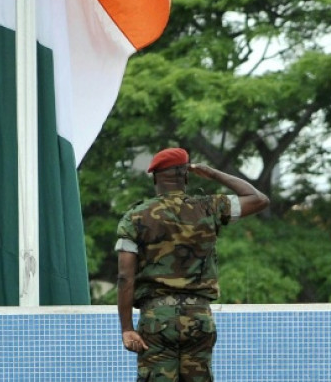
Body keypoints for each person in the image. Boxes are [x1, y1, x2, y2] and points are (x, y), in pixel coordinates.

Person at [115, 147, 270, 382]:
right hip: (199, 318)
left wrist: (127, 328)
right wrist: (214, 174)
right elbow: (259, 199)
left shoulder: (136, 217)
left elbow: (125, 277)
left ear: (155, 177)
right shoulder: (209, 207)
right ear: (186, 176)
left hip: (157, 319)